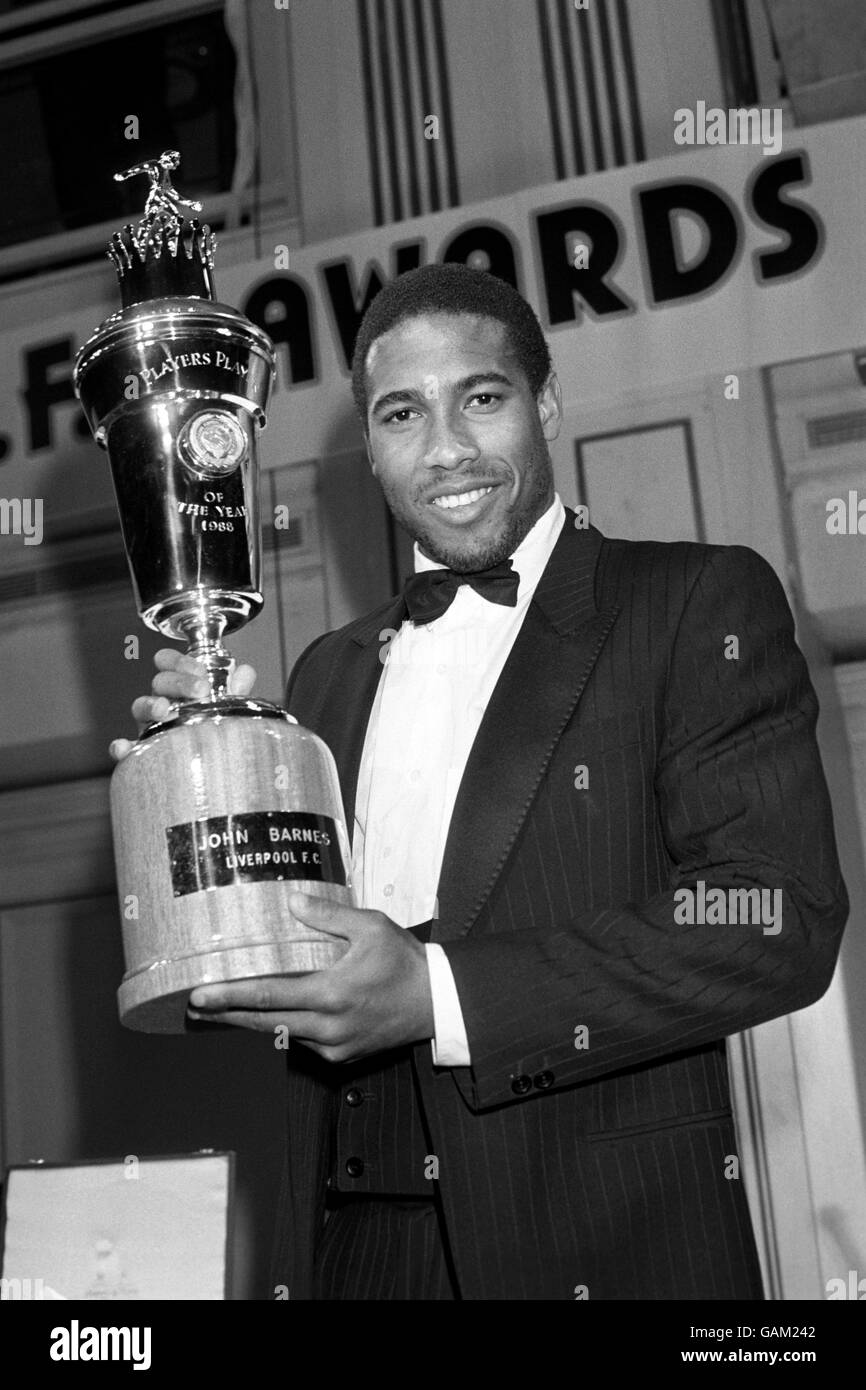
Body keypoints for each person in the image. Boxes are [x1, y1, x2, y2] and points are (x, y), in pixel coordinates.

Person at [113, 263, 848, 1300]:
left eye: (483, 399)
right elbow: (280, 940)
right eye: (402, 414)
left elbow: (774, 916)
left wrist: (436, 994)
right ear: (367, 446)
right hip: (352, 1251)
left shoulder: (690, 601)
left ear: (544, 402)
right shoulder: (327, 671)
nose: (446, 450)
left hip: (599, 1248)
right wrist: (190, 791)